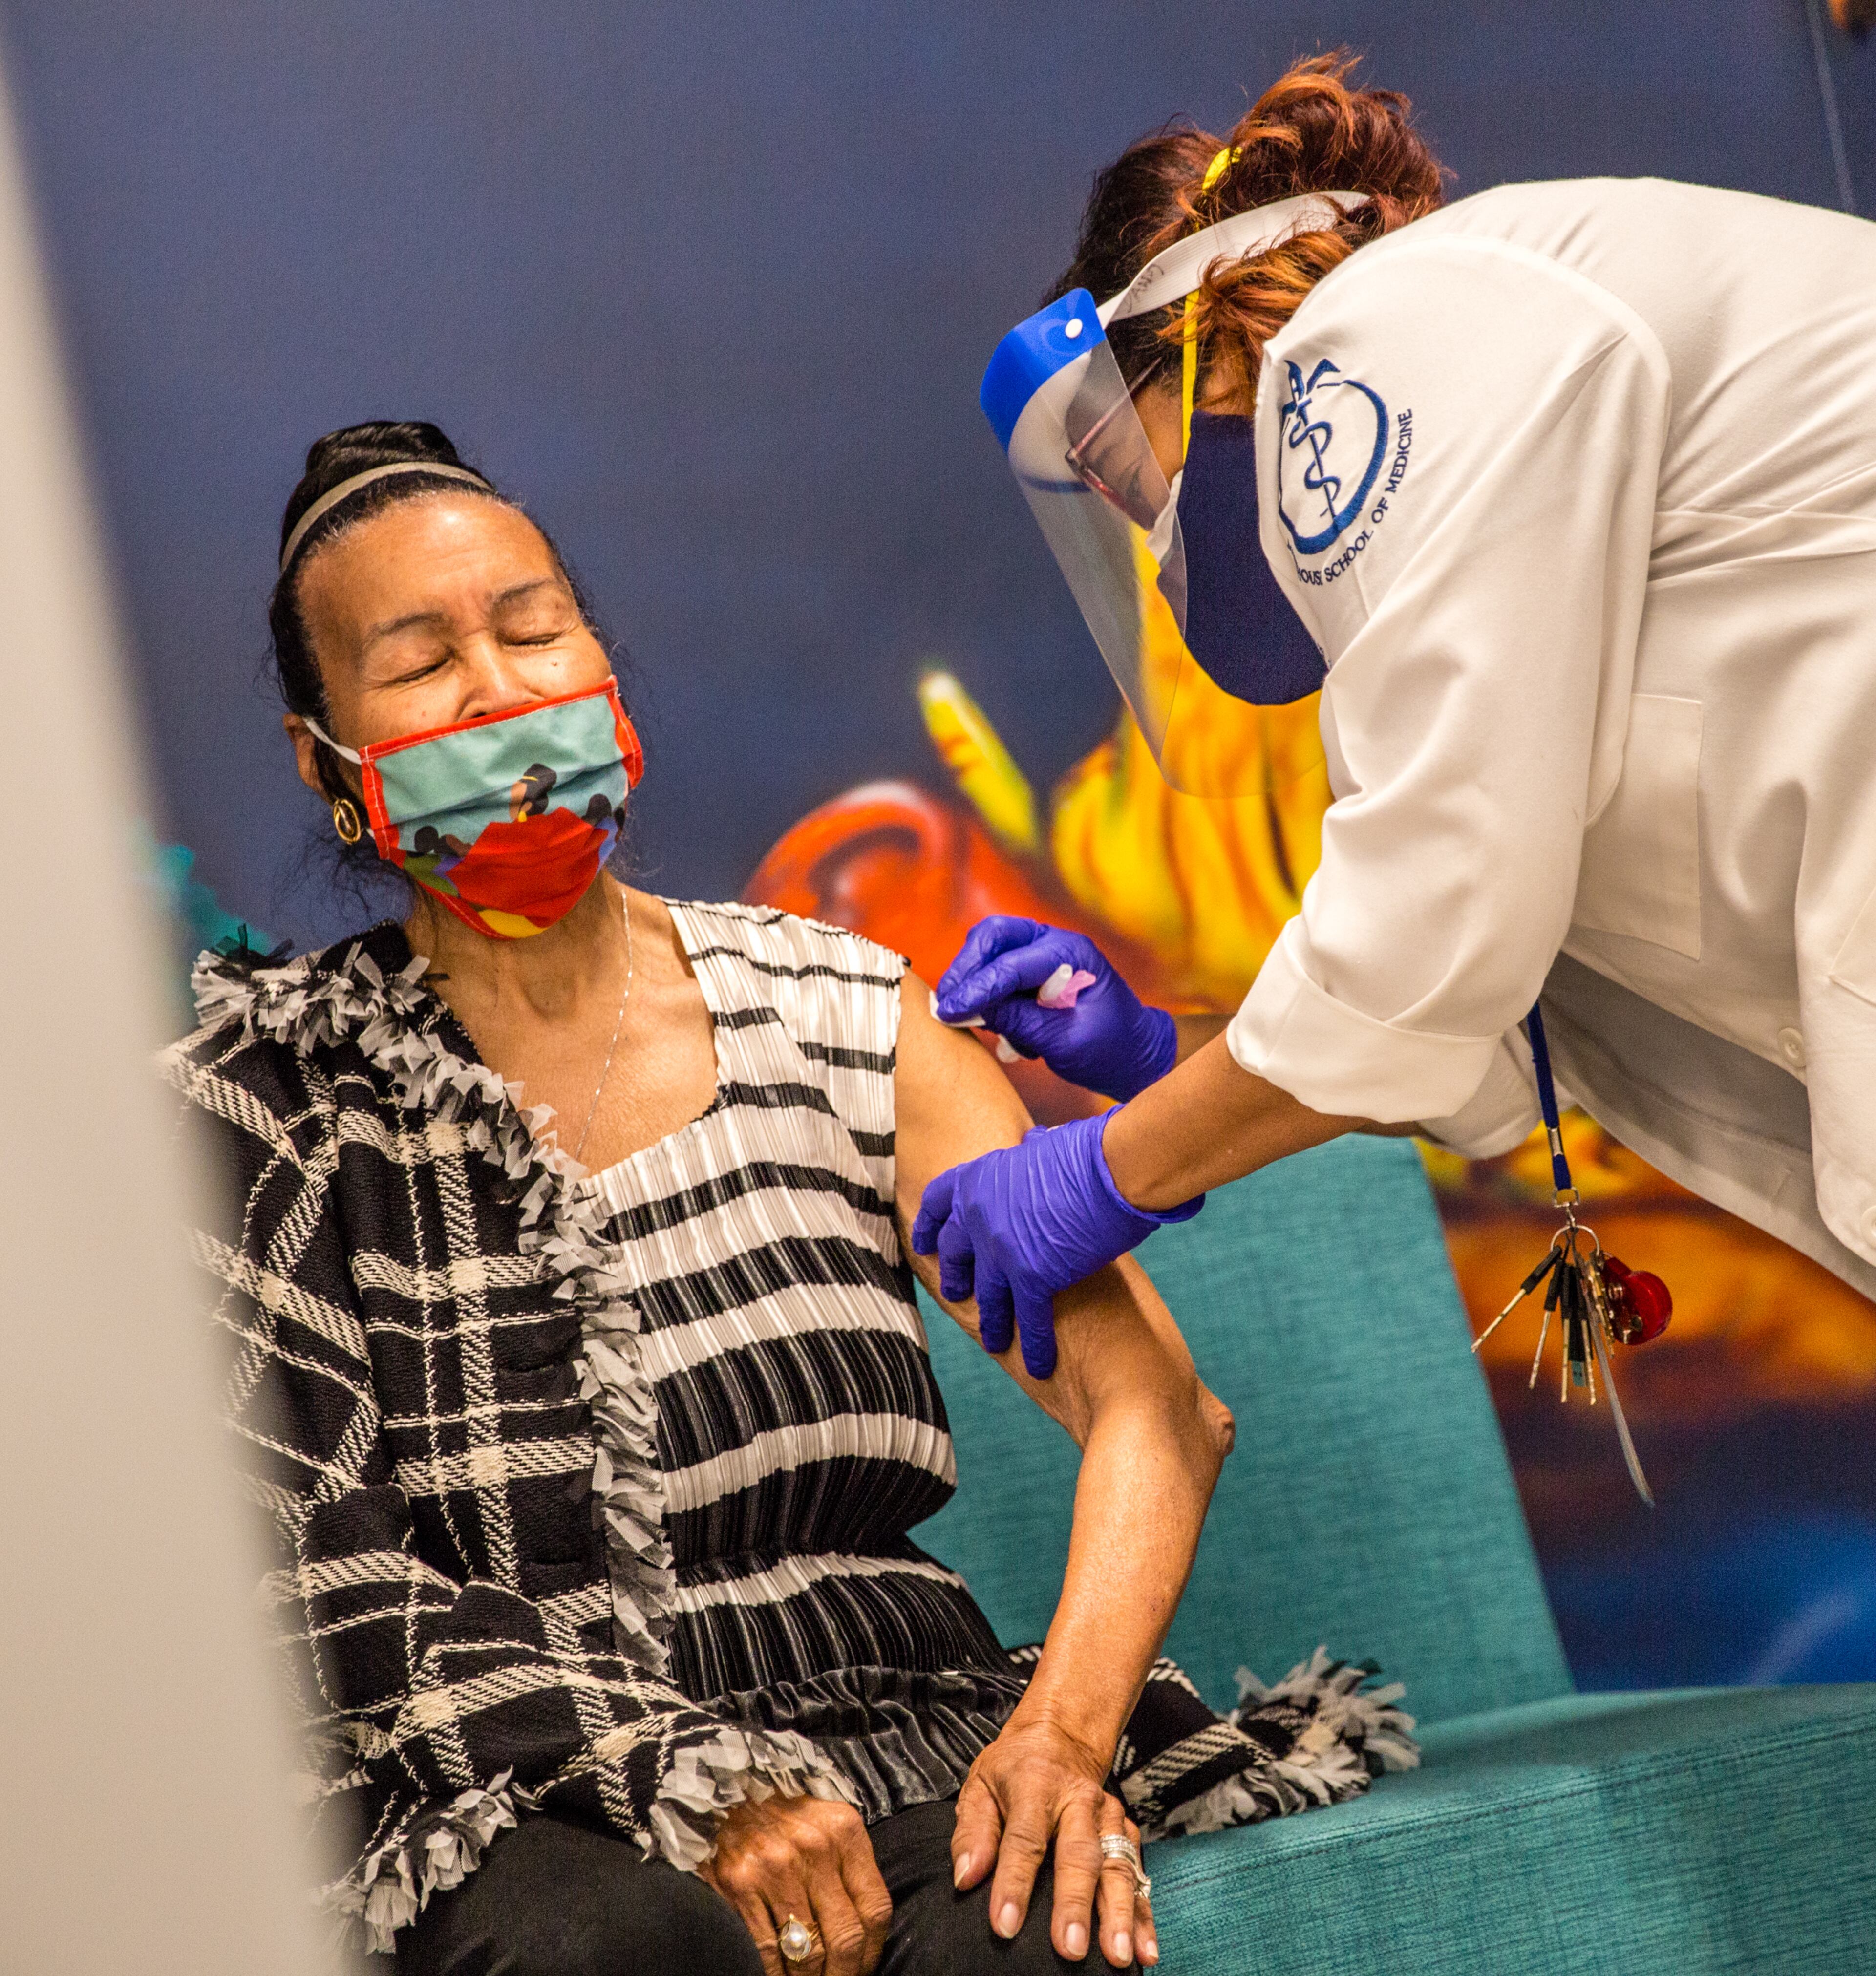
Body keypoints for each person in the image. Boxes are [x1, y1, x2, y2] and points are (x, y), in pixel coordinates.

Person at [163, 422, 1414, 1975]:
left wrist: (1062, 1745)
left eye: (533, 628)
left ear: (604, 668)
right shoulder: (262, 1100)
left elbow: (1156, 1411)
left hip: (885, 1726)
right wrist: (685, 1780)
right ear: (323, 751)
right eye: (420, 665)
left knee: (1020, 1928)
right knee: (610, 1947)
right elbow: (305, 1570)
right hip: (513, 1795)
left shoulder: (839, 1009)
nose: (498, 690)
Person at [914, 53, 1876, 1382]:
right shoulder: (1470, 493)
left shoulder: (1387, 332)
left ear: (1205, 340)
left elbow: (1429, 938)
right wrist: (1162, 1055)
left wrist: (1108, 1173)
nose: (1146, 531)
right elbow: (1458, 1031)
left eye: (1118, 457)